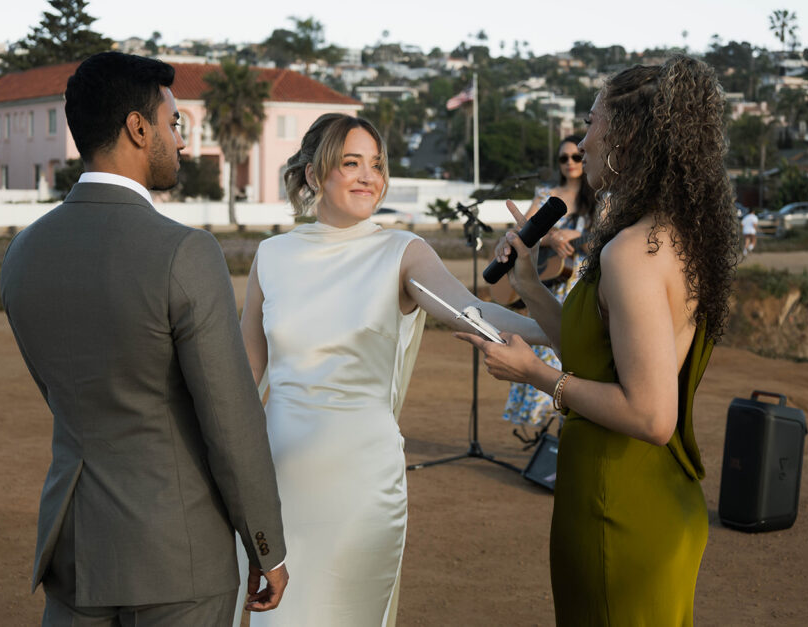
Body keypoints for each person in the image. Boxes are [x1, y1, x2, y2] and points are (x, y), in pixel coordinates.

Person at [0, 52, 288, 624]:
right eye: (174, 124)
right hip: (176, 551)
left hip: (74, 544)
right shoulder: (185, 252)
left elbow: (61, 393)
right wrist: (266, 545)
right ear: (138, 127)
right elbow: (230, 420)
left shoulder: (22, 253)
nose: (180, 142)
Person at [458, 55, 739, 625]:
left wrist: (536, 375)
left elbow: (650, 414)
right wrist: (530, 285)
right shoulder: (670, 235)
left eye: (592, 123)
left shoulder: (632, 252)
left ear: (627, 136)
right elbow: (601, 354)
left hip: (619, 505)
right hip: (649, 497)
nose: (582, 141)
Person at [239, 113, 547, 626]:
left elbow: (476, 314)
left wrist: (567, 322)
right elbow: (244, 376)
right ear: (314, 175)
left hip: (361, 487)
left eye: (377, 165)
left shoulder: (402, 252)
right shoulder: (271, 255)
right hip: (279, 485)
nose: (369, 177)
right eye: (351, 162)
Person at [497, 134, 597, 431]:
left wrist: (577, 237)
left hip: (583, 282)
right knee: (544, 345)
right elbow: (523, 231)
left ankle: (572, 421)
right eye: (563, 158)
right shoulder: (546, 194)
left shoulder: (600, 197)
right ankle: (545, 430)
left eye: (576, 157)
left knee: (576, 350)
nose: (570, 163)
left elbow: (608, 240)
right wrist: (549, 236)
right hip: (550, 282)